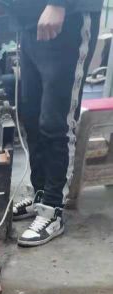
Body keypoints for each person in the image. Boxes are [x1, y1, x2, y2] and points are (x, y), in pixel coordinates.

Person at [10, 0, 103, 247]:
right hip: (30, 22)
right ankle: (40, 194)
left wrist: (58, 4)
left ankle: (52, 210)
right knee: (32, 118)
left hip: (67, 18)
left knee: (56, 121)